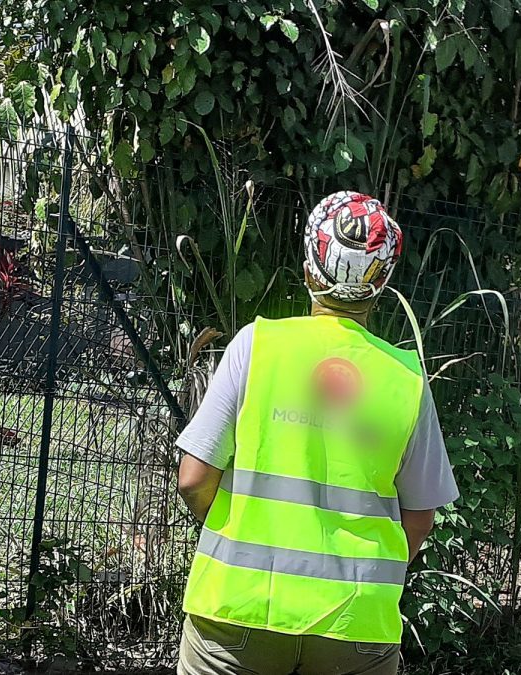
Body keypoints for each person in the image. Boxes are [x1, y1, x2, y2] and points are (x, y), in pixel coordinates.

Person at [175, 192, 459, 675]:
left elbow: (193, 478)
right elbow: (420, 517)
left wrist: (236, 537)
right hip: (357, 624)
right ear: (382, 283)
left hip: (238, 608)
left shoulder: (257, 346)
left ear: (309, 270)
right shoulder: (407, 380)